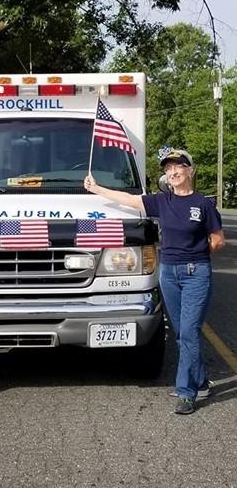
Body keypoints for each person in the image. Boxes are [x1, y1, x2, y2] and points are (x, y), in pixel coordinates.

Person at [84, 148, 225, 415]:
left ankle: (186, 392)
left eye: (178, 167)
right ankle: (202, 381)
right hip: (169, 273)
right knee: (183, 333)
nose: (172, 172)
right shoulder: (162, 201)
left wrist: (195, 254)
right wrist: (97, 189)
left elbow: (218, 240)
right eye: (168, 168)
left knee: (189, 332)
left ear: (190, 170)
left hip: (196, 273)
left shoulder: (203, 204)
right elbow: (128, 199)